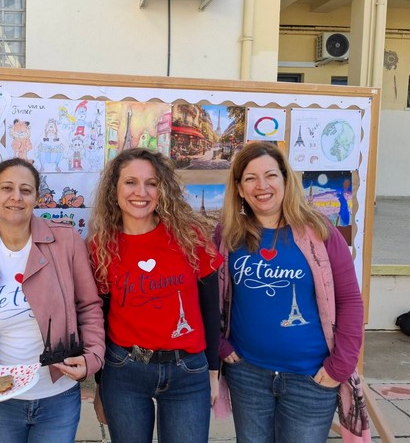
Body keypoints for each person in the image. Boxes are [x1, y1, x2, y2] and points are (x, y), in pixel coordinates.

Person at [215, 141, 370, 443]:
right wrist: (221, 345)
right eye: (250, 178)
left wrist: (340, 367)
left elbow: (350, 301)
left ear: (286, 180)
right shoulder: (228, 235)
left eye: (271, 175)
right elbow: (210, 297)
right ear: (240, 189)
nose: (262, 186)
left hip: (311, 377)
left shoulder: (320, 231)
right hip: (247, 374)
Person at [0, 158, 105, 443]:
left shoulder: (66, 241)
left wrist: (92, 356)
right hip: (0, 397)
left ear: (37, 197)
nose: (16, 197)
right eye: (6, 188)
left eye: (26, 190)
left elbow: (89, 306)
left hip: (58, 394)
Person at [87, 148, 223, 443]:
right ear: (114, 189)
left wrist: (214, 370)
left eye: (152, 183)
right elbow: (100, 318)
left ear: (163, 190)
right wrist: (101, 385)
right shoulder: (101, 247)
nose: (141, 192)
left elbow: (211, 309)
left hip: (188, 372)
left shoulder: (190, 236)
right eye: (130, 182)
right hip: (124, 371)